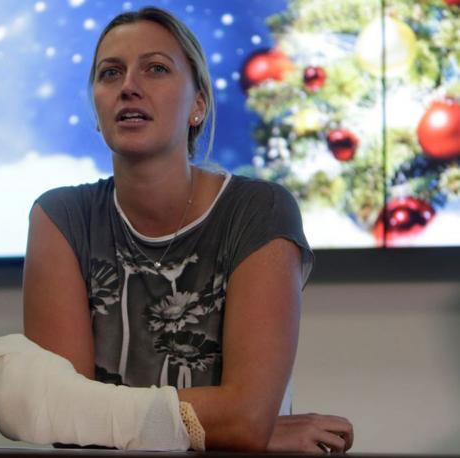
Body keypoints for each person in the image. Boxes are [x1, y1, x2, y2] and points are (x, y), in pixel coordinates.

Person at [19, 6, 353, 452]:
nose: (129, 87)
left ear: (198, 105)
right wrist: (234, 425)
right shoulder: (60, 217)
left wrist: (245, 423)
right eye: (110, 73)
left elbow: (248, 419)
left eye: (155, 69)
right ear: (97, 112)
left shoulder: (259, 210)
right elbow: (63, 419)